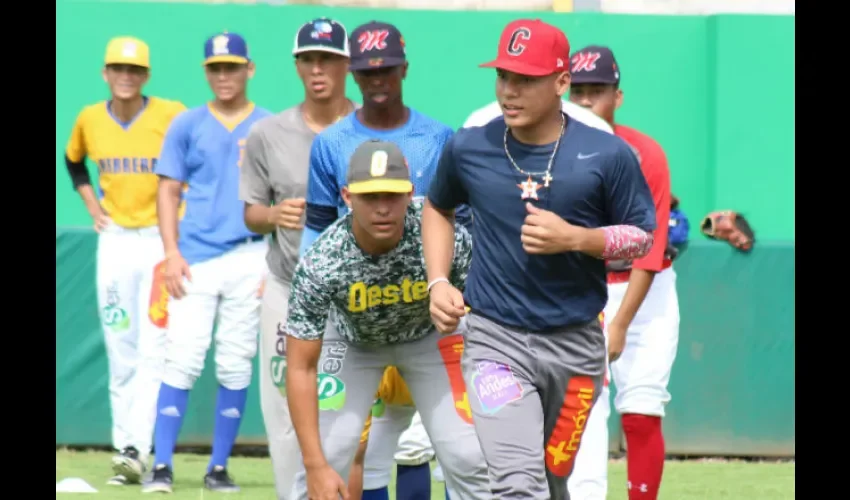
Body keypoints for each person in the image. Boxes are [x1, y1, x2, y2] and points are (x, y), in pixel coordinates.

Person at [422, 19, 657, 500]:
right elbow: (436, 207)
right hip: (494, 340)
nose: (509, 91)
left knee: (553, 482)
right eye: (503, 76)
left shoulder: (606, 153)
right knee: (517, 484)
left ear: (562, 82)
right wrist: (438, 281)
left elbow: (641, 238)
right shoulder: (470, 145)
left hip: (575, 346)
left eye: (525, 79)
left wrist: (579, 238)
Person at [299, 21, 469, 499]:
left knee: (437, 442)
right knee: (346, 445)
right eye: (367, 72)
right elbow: (315, 229)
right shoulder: (331, 143)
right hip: (352, 314)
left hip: (423, 311)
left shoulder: (439, 138)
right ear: (352, 73)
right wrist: (310, 305)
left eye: (386, 70)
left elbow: (462, 226)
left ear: (404, 69)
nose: (377, 80)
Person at [286, 140, 490, 500]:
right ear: (347, 197)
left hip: (429, 339)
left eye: (392, 195)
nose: (382, 208)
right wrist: (316, 465)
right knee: (326, 460)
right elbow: (300, 367)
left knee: (469, 455)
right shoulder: (322, 262)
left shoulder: (444, 238)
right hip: (353, 342)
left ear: (411, 193)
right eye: (370, 196)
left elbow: (487, 307)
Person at [142, 32, 272, 494]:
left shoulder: (269, 125)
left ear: (249, 69)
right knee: (181, 360)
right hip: (194, 257)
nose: (224, 75)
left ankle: (218, 467)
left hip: (251, 252)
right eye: (216, 67)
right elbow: (167, 189)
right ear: (206, 72)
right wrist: (171, 253)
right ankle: (161, 466)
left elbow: (284, 196)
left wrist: (274, 264)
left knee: (236, 364)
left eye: (232, 66)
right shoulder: (186, 123)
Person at [239, 17, 356, 499]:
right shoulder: (269, 132)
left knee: (349, 419)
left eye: (327, 57)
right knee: (284, 414)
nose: (317, 68)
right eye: (308, 58)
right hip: (288, 288)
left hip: (356, 296)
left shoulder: (368, 126)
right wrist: (275, 214)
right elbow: (250, 214)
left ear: (346, 64)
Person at [62, 36, 186, 486]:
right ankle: (124, 450)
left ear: (146, 75)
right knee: (121, 348)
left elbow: (195, 163)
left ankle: (143, 447)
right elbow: (73, 161)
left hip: (158, 241)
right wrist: (91, 206)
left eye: (134, 70)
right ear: (105, 73)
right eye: (118, 68)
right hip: (114, 241)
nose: (126, 76)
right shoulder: (90, 118)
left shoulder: (170, 114)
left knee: (155, 347)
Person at [569, 45, 678, 500]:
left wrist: (620, 323)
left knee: (641, 406)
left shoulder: (644, 153)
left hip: (645, 294)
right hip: (582, 288)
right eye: (579, 91)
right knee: (583, 413)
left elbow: (650, 251)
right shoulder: (551, 151)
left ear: (618, 97)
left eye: (598, 91)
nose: (588, 100)